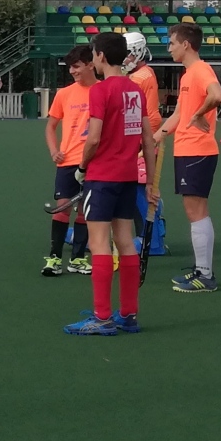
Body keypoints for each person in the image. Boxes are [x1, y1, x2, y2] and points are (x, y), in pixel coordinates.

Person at [64, 32, 158, 337]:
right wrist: (152, 182)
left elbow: (93, 138)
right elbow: (147, 138)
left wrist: (81, 167)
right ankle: (128, 314)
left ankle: (102, 317)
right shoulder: (135, 90)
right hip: (129, 175)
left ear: (100, 56)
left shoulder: (100, 91)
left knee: (99, 243)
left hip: (102, 176)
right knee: (126, 241)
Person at [158, 23, 221, 294]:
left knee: (195, 211)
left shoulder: (200, 70)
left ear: (186, 44)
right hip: (186, 149)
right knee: (194, 211)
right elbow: (179, 115)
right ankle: (202, 270)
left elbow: (218, 95)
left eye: (172, 43)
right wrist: (157, 135)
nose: (170, 48)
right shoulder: (188, 75)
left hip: (197, 150)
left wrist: (199, 115)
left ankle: (206, 276)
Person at [42, 45, 96, 277]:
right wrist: (54, 150)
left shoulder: (103, 90)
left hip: (94, 161)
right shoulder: (64, 94)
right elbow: (51, 127)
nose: (72, 71)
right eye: (70, 68)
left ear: (90, 64)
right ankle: (54, 258)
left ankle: (78, 258)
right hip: (68, 162)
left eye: (77, 66)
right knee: (62, 208)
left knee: (85, 211)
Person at [123, 32, 166, 264]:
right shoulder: (141, 74)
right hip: (142, 137)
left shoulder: (139, 77)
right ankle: (153, 235)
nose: (124, 58)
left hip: (142, 139)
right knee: (141, 190)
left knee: (143, 191)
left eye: (128, 53)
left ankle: (153, 241)